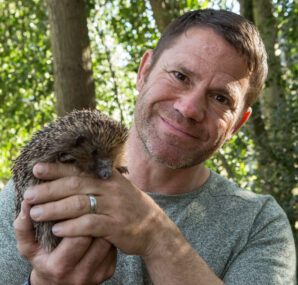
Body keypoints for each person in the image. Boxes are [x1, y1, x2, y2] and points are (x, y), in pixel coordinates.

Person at [0, 9, 296, 285]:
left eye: (221, 98)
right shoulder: (40, 182)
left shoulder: (259, 224)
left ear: (237, 125)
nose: (190, 108)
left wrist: (156, 236)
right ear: (144, 72)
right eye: (180, 76)